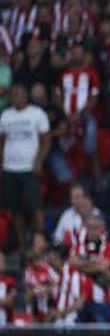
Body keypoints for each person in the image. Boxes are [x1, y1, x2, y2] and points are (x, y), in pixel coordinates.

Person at [0, 83, 51, 252]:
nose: (15, 98)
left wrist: (39, 161)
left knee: (36, 206)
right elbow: (1, 141)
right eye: (13, 95)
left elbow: (46, 140)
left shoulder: (37, 114)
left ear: (26, 95)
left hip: (30, 168)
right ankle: (22, 247)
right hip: (10, 168)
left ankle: (40, 244)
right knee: (14, 209)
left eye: (19, 94)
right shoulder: (6, 115)